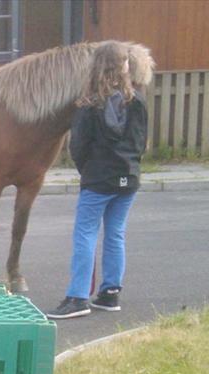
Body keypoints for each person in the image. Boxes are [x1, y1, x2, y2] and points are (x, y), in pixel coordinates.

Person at [48, 42, 149, 319]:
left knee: (86, 234)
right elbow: (140, 143)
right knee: (115, 233)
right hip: (128, 178)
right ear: (123, 67)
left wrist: (88, 171)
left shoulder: (88, 105)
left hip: (97, 179)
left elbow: (78, 147)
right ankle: (109, 293)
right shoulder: (138, 101)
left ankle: (78, 297)